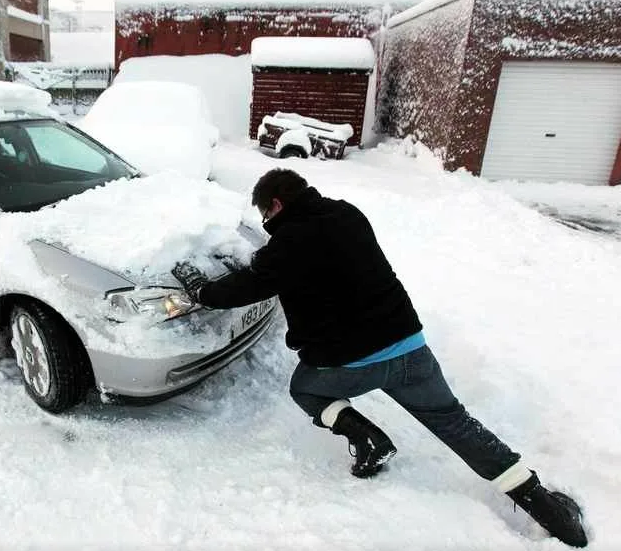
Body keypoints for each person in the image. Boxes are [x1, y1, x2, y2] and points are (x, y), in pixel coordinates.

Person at [171, 168, 587, 547]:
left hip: (350, 362)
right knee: (454, 422)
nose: (267, 224)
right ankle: (548, 509)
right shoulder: (348, 215)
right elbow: (296, 263)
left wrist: (201, 291)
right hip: (408, 346)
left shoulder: (289, 244)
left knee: (305, 389)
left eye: (266, 215)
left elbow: (249, 285)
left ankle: (368, 438)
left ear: (276, 204)